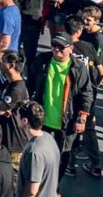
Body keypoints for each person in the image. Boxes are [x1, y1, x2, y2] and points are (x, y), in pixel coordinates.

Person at [28, 32, 95, 178]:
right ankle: (38, 183)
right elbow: (31, 83)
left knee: (62, 156)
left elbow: (86, 93)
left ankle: (55, 187)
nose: (56, 50)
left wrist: (82, 117)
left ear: (70, 48)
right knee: (37, 152)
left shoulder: (78, 68)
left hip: (66, 121)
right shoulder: (42, 61)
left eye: (61, 47)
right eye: (53, 46)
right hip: (42, 119)